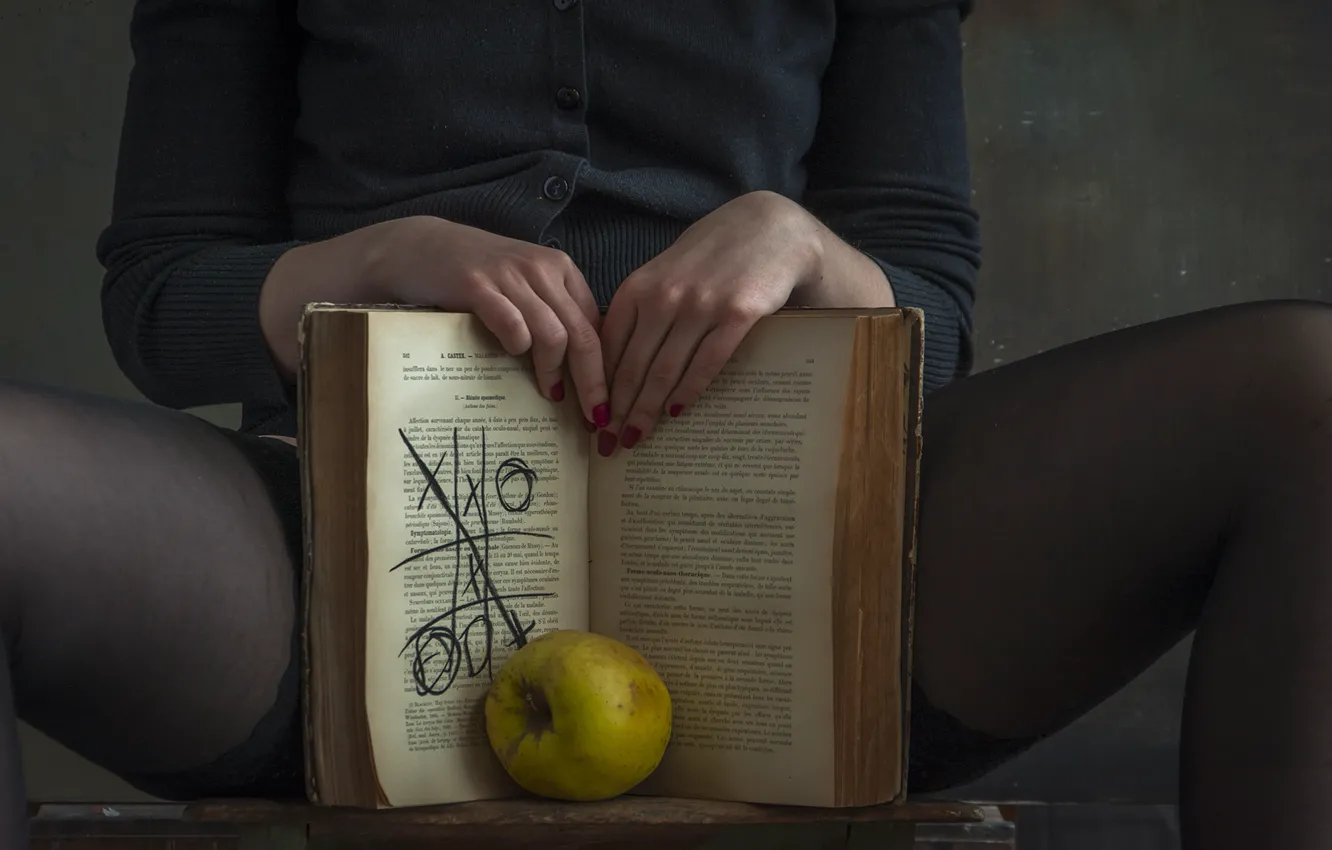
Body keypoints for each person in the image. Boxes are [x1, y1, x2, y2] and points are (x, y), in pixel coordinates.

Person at [2, 1, 1329, 848]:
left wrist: (810, 245)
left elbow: (936, 299)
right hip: (345, 559)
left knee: (1309, 383)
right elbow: (162, 299)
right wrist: (369, 255)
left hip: (791, 565)